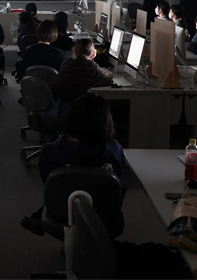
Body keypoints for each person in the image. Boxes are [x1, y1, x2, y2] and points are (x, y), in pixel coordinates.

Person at [21, 93, 124, 236]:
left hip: (60, 214)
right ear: (107, 122)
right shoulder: (115, 149)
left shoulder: (49, 152)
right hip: (105, 218)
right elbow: (117, 186)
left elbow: (49, 184)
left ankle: (40, 218)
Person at [52, 39, 113, 106]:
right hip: (78, 104)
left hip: (61, 102)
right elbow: (108, 82)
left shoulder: (66, 62)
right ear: (93, 54)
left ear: (74, 52)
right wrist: (108, 75)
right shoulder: (91, 66)